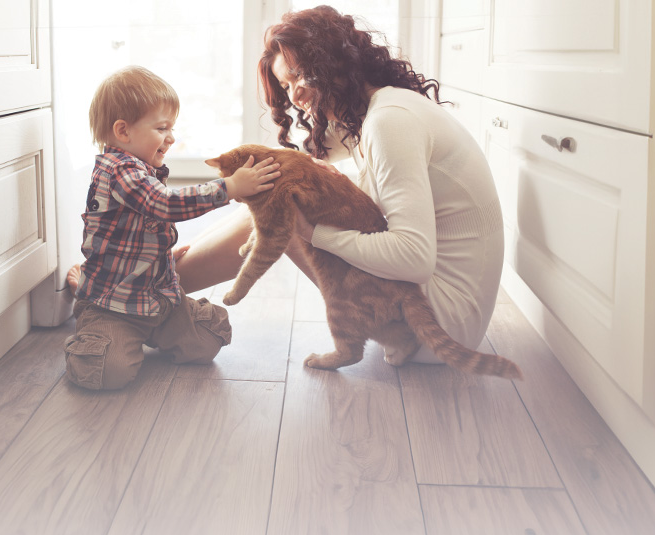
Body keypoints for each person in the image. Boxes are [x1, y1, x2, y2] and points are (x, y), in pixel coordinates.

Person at [178, 5, 505, 363]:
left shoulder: (389, 123)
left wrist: (314, 233)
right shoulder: (374, 109)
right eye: (286, 86)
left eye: (300, 76)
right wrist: (190, 244)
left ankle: (142, 291)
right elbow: (280, 165)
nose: (295, 97)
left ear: (333, 63)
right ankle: (158, 274)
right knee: (275, 189)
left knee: (278, 209)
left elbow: (415, 260)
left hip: (437, 323)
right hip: (436, 308)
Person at [64, 65, 280, 391]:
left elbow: (143, 227)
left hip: (157, 300)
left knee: (210, 339)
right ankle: (90, 321)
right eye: (162, 127)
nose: (171, 137)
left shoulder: (141, 167)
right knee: (107, 371)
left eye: (172, 127)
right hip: (113, 306)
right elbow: (165, 204)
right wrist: (229, 187)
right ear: (123, 131)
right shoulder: (119, 170)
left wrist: (160, 257)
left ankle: (145, 332)